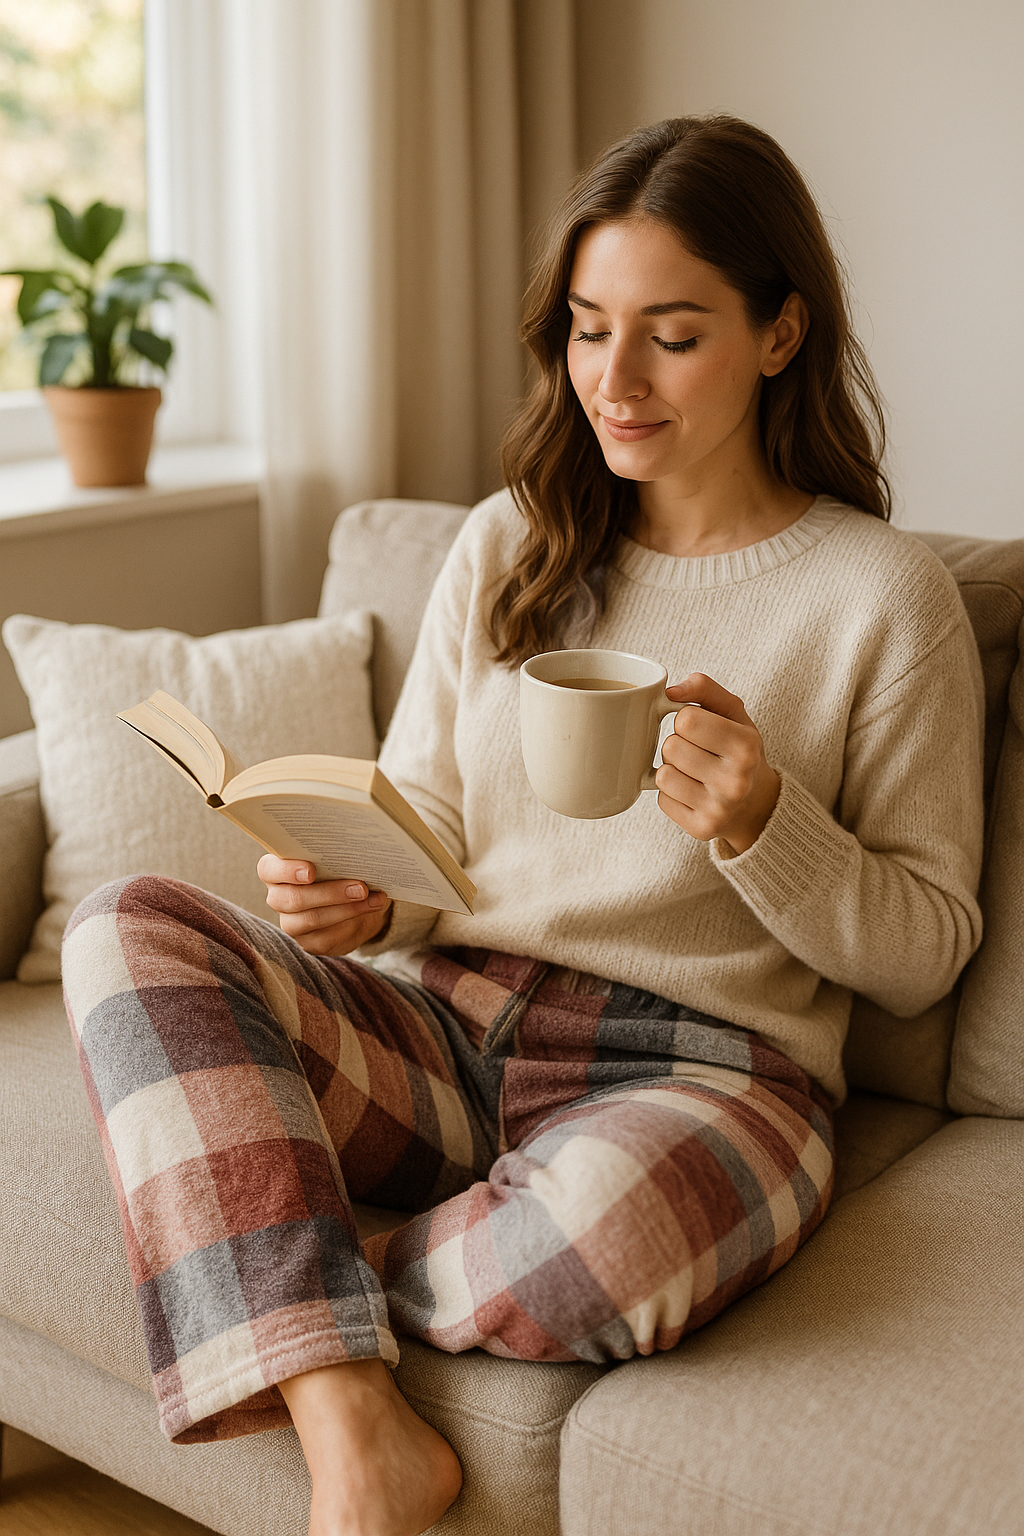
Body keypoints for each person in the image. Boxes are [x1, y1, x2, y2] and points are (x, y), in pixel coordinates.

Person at [62, 115, 984, 1536]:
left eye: (671, 335)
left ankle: (259, 1256)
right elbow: (429, 821)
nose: (612, 379)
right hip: (442, 1022)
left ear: (780, 333)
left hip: (709, 1072)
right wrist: (370, 903)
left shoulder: (881, 598)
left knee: (592, 1249)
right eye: (585, 327)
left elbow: (926, 953)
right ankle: (348, 1414)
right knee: (130, 926)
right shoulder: (509, 541)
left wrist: (763, 827)